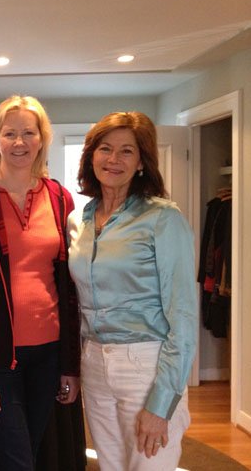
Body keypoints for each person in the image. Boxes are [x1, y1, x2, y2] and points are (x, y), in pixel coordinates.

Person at [0, 95, 82, 471]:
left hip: (49, 353)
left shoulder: (59, 197)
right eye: (10, 134)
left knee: (32, 452)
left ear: (42, 139)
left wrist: (70, 364)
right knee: (16, 459)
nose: (19, 143)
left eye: (29, 133)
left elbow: (69, 288)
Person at [68, 111, 197, 470]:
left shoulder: (162, 219)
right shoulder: (77, 221)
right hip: (93, 361)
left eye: (127, 151)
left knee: (151, 464)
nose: (113, 159)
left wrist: (161, 403)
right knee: (111, 465)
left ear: (142, 162)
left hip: (146, 363)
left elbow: (183, 315)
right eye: (105, 148)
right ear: (91, 155)